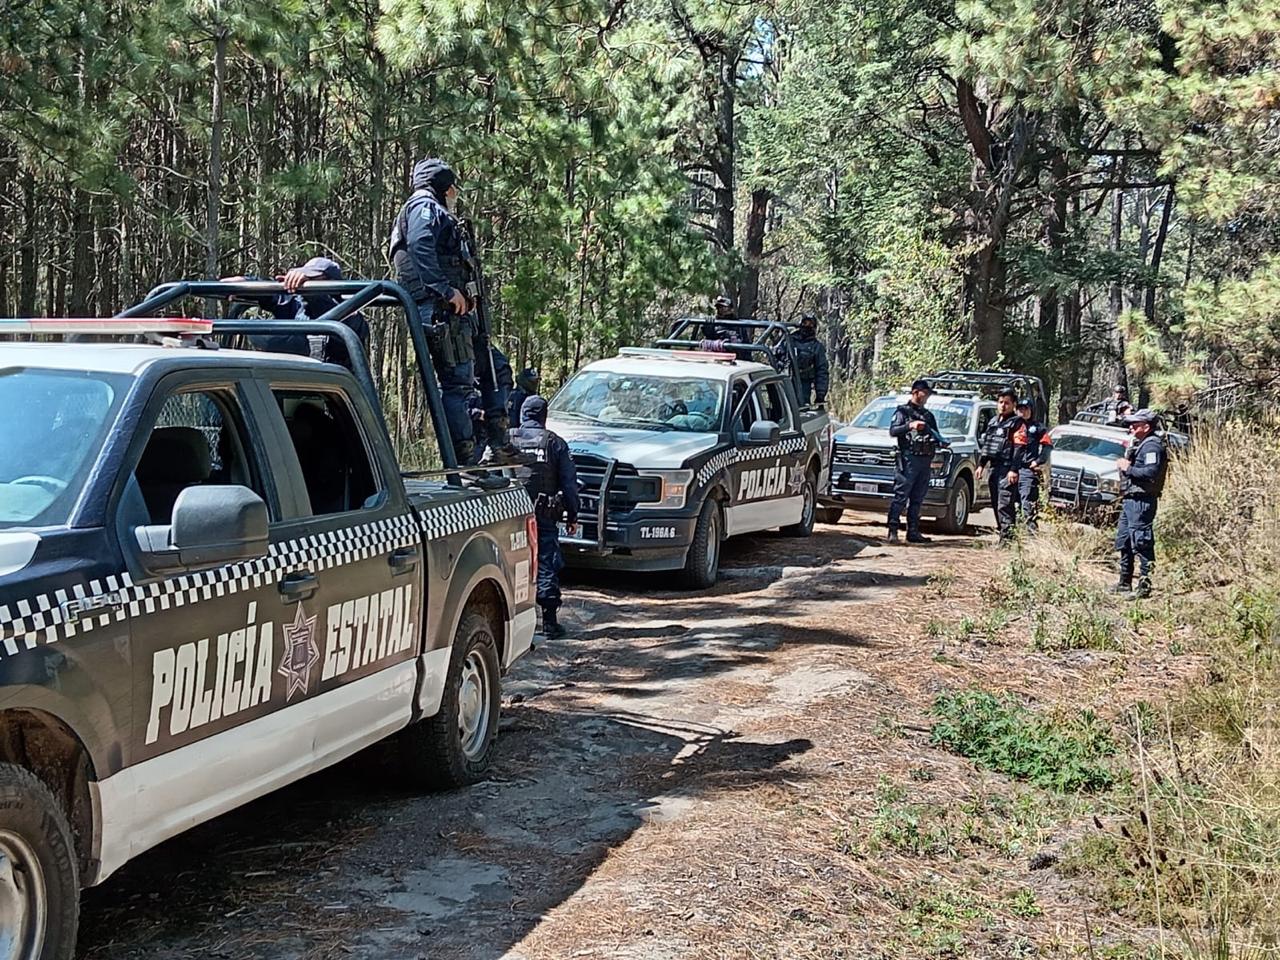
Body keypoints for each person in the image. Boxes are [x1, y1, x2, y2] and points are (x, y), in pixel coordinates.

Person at [389, 156, 514, 466]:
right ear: (445, 188)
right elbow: (420, 244)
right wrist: (445, 290)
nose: (455, 193)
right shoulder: (424, 208)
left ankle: (498, 445)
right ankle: (464, 460)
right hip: (440, 313)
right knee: (457, 386)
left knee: (496, 368)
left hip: (457, 315)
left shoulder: (431, 210)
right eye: (453, 188)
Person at [510, 396, 580, 639]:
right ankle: (549, 623)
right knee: (546, 562)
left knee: (509, 563)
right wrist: (573, 515)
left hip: (508, 514)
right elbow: (569, 484)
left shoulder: (507, 440)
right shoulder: (554, 443)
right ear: (544, 416)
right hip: (543, 515)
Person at [228, 257, 369, 366]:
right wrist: (245, 283)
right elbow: (270, 295)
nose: (302, 283)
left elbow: (328, 308)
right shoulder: (295, 304)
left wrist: (310, 289)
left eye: (312, 279)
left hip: (330, 389)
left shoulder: (352, 317)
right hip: (289, 382)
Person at [1113, 408, 1169, 598]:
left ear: (1146, 426)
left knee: (1142, 542)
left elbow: (1151, 473)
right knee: (1125, 541)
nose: (1131, 428)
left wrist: (1128, 468)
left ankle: (1144, 586)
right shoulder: (1141, 444)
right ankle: (1124, 582)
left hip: (1142, 501)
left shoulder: (1152, 446)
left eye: (1134, 425)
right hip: (1131, 500)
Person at [886, 379, 948, 544]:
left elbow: (935, 434)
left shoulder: (928, 416)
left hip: (925, 460)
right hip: (908, 459)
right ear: (915, 392)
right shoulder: (903, 412)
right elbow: (893, 431)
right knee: (901, 495)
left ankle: (913, 531)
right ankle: (893, 530)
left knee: (918, 497)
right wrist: (910, 425)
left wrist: (941, 442)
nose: (927, 397)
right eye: (924, 393)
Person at [976, 387, 1026, 544]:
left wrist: (1013, 470)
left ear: (1014, 405)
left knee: (1005, 505)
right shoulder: (993, 422)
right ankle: (1002, 535)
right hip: (994, 468)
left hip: (1007, 469)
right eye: (1000, 402)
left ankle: (1008, 540)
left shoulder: (1018, 423)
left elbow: (1019, 448)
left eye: (1007, 403)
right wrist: (981, 465)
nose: (1003, 406)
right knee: (996, 503)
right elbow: (988, 445)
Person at [1014, 398, 1051, 534]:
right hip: (1011, 469)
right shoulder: (1012, 425)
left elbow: (1047, 446)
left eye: (1026, 409)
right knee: (1011, 501)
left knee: (1027, 501)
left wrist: (1038, 461)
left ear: (1031, 410)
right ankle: (1012, 532)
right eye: (1020, 409)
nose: (1023, 412)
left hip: (1027, 470)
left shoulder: (1038, 427)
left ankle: (1031, 533)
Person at [793, 313, 830, 406]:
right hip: (784, 383)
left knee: (801, 409)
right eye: (805, 323)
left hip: (803, 386)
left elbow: (822, 371)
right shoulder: (788, 341)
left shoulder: (816, 347)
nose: (807, 326)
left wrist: (820, 394)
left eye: (810, 324)